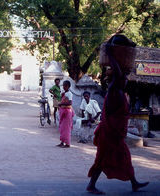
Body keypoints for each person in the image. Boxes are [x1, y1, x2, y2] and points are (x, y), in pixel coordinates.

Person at [87, 35, 149, 194]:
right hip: (110, 134)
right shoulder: (114, 89)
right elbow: (119, 73)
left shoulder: (118, 90)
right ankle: (91, 185)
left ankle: (134, 183)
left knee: (123, 158)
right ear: (117, 78)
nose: (127, 78)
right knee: (102, 160)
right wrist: (111, 53)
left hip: (114, 134)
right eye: (124, 76)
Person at [57, 80, 74, 148]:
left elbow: (70, 103)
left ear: (68, 86)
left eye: (65, 86)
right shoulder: (64, 93)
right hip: (63, 111)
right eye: (63, 85)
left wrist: (61, 103)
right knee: (62, 127)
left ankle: (67, 143)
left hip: (67, 112)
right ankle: (62, 141)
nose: (64, 87)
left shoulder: (69, 94)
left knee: (66, 128)